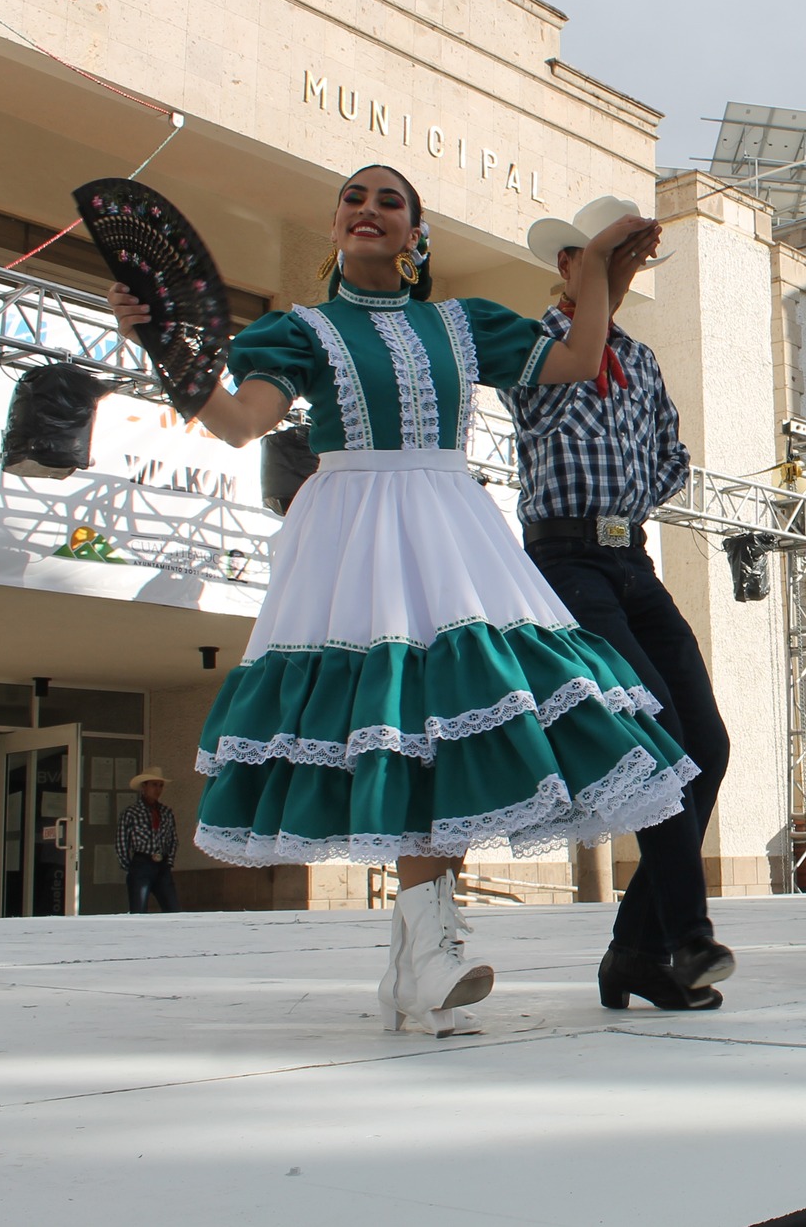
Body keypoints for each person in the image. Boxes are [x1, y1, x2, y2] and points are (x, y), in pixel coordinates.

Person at [109, 166, 701, 1036]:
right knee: (404, 722)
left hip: (450, 521)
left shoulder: (460, 323)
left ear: (416, 234)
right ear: (337, 226)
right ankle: (424, 957)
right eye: (355, 198)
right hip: (354, 535)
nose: (370, 210)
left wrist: (601, 271)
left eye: (391, 202)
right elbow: (241, 423)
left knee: (451, 719)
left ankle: (415, 962)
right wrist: (161, 346)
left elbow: (577, 358)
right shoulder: (301, 330)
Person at [504, 197, 737, 1013]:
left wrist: (625, 495)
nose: (619, 271)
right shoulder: (536, 341)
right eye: (602, 258)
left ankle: (631, 952)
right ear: (569, 267)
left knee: (705, 742)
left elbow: (671, 459)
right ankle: (684, 934)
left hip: (628, 555)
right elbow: (548, 391)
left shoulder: (641, 359)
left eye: (629, 260)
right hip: (564, 557)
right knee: (659, 731)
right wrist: (606, 256)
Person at [117, 769, 182, 913]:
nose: (157, 789)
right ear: (144, 787)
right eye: (154, 785)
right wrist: (131, 866)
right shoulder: (131, 813)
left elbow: (173, 839)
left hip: (162, 864)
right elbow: (122, 842)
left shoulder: (166, 812)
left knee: (173, 909)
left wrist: (169, 861)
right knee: (139, 910)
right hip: (142, 862)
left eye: (160, 785)